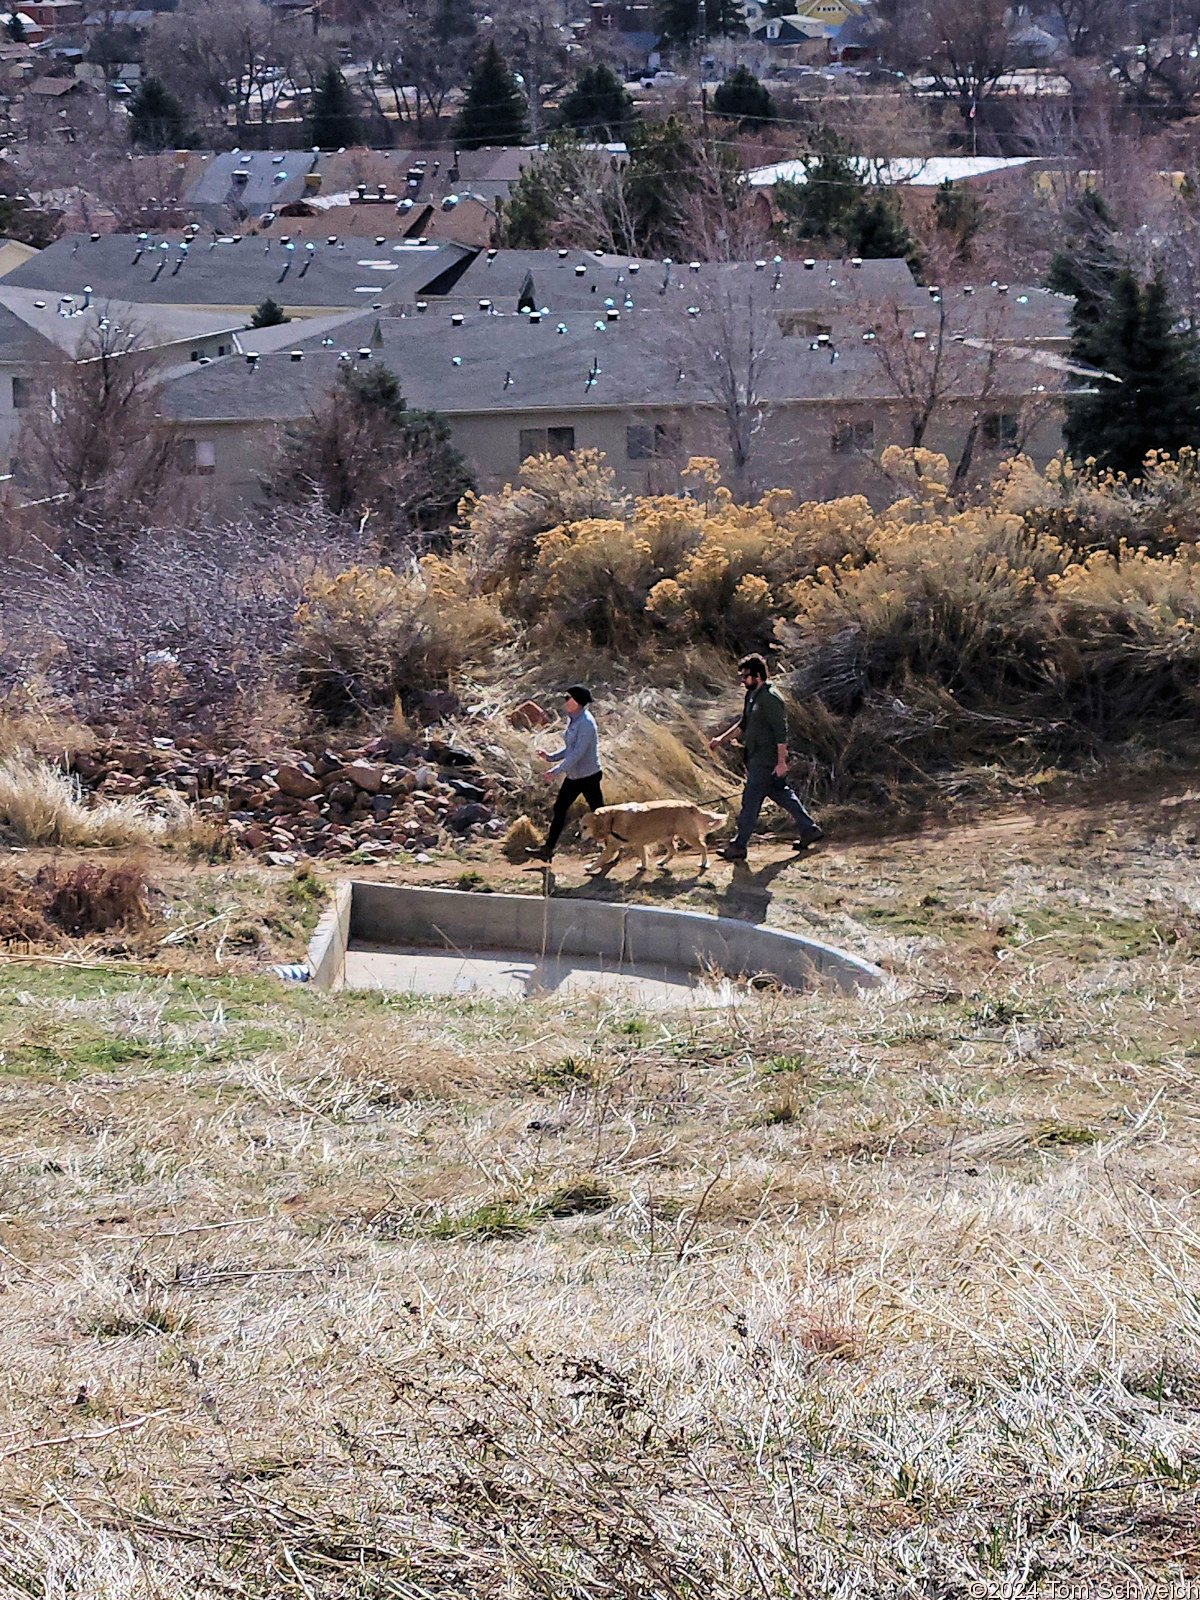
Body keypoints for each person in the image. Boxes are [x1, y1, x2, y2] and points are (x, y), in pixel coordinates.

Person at [709, 654, 822, 862]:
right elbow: (743, 724)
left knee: (750, 802)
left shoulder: (771, 698)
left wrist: (781, 762)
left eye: (745, 676)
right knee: (781, 794)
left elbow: (781, 732)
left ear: (758, 675)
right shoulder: (752, 695)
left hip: (766, 760)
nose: (742, 680)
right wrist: (721, 739)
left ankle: (738, 846)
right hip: (755, 757)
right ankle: (809, 829)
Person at [526, 685, 605, 862]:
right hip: (574, 777)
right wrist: (551, 757)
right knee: (560, 809)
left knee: (600, 814)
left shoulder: (586, 723)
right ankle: (548, 850)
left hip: (588, 777)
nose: (564, 701)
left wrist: (555, 771)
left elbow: (578, 753)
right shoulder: (574, 719)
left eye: (567, 698)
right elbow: (570, 749)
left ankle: (612, 847)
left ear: (577, 701)